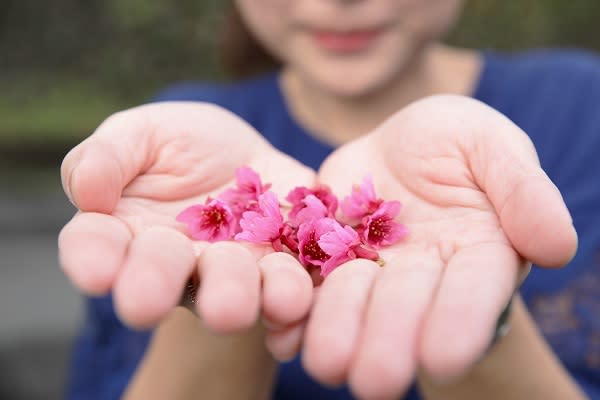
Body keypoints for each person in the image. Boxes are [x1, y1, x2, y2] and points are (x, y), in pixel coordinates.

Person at [59, 1, 600, 399]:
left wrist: (489, 321)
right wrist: (217, 303)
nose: (337, 3)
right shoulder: (177, 151)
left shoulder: (581, 109)